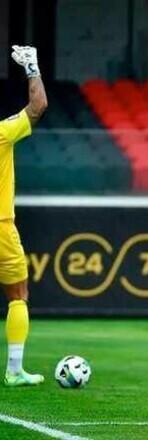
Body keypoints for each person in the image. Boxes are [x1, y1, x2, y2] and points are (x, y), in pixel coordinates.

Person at [2, 45, 48, 386]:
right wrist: (32, 66)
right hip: (1, 227)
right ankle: (14, 370)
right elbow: (38, 106)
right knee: (18, 295)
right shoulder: (2, 134)